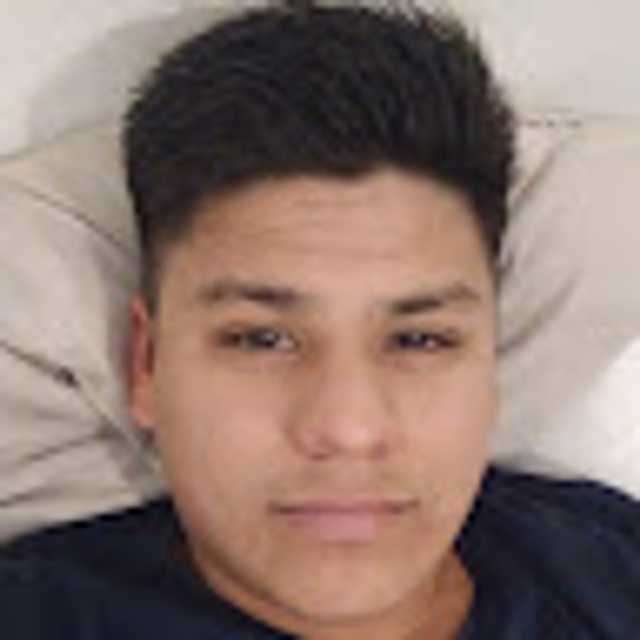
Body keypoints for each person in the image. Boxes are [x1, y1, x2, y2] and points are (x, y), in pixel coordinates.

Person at [1, 1, 639, 638]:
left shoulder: (606, 568)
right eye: (261, 339)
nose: (350, 429)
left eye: (419, 340)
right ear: (146, 364)